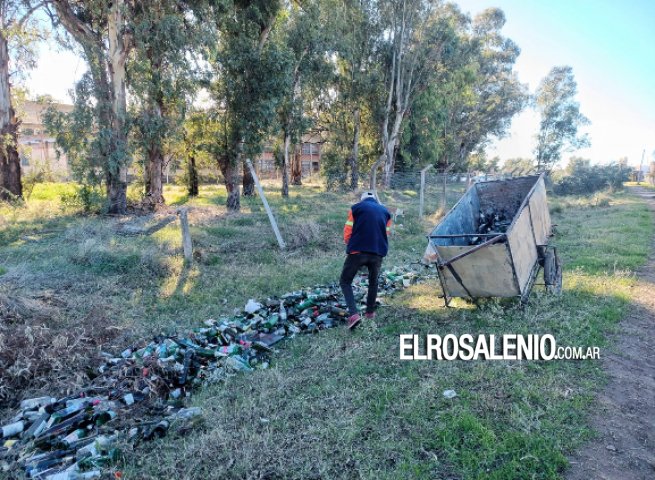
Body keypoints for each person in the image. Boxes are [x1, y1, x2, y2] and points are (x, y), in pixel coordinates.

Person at [340, 191, 392, 330]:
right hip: (377, 253)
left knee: (345, 282)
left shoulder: (356, 208)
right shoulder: (386, 212)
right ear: (374, 199)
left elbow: (348, 231)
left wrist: (350, 245)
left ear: (362, 199)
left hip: (358, 251)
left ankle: (354, 315)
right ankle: (370, 312)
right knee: (373, 282)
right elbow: (386, 233)